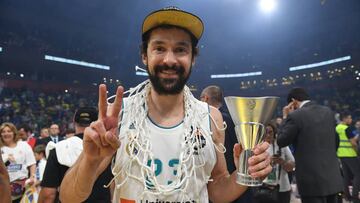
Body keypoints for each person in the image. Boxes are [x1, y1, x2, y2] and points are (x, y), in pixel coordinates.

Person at [59, 7, 272, 203]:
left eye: (180, 50)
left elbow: (217, 191)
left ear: (193, 58)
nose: (169, 59)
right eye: (159, 48)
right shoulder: (121, 114)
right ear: (144, 55)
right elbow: (69, 198)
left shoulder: (210, 117)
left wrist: (245, 173)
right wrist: (89, 160)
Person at [277, 87, 343, 203]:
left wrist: (285, 117)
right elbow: (336, 141)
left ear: (293, 102)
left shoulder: (295, 116)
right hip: (333, 179)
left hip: (311, 183)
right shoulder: (327, 111)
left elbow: (281, 141)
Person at [39, 107, 113, 203]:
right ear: (97, 122)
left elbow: (48, 194)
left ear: (74, 122)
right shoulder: (109, 149)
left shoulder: (58, 149)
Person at [200, 85, 253, 203]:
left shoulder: (209, 121)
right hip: (239, 181)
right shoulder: (234, 118)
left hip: (226, 186)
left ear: (205, 98)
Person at [253, 122, 294, 203]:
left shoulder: (281, 145)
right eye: (265, 132)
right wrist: (268, 162)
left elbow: (292, 166)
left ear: (274, 132)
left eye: (270, 132)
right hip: (263, 187)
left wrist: (282, 162)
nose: (268, 135)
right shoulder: (258, 147)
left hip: (282, 188)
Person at [0, 122, 37, 203]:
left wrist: (32, 177)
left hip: (23, 187)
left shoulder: (24, 145)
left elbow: (32, 163)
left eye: (9, 131)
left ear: (14, 132)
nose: (6, 134)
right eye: (3, 132)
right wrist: (6, 157)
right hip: (3, 188)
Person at [336, 112, 360, 202]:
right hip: (350, 154)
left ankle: (347, 196)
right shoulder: (347, 128)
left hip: (341, 154)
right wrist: (357, 151)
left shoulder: (337, 128)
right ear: (344, 119)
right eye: (349, 118)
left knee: (346, 176)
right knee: (358, 174)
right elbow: (353, 142)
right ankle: (355, 196)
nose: (351, 120)